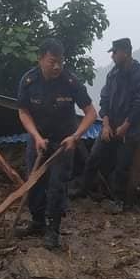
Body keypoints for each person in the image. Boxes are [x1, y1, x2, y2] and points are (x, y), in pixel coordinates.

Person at [16, 38, 98, 249]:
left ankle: (53, 230)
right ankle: (37, 222)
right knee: (34, 183)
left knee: (57, 186)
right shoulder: (29, 81)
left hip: (64, 143)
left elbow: (90, 113)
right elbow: (23, 112)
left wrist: (75, 137)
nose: (57, 66)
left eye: (60, 61)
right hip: (38, 141)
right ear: (40, 58)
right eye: (52, 61)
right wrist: (35, 136)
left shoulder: (70, 82)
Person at [82, 38, 140, 212]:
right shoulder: (112, 74)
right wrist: (105, 125)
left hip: (129, 131)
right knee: (94, 157)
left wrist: (125, 126)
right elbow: (104, 99)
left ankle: (119, 201)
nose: (112, 56)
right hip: (110, 126)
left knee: (122, 166)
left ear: (125, 52)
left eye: (115, 52)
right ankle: (84, 189)